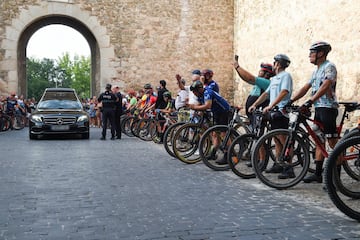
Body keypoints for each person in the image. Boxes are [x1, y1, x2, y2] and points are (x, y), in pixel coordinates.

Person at [289, 41, 338, 183]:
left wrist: (310, 100)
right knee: (318, 140)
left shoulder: (329, 66)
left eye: (312, 52)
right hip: (319, 108)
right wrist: (291, 100)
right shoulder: (316, 70)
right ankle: (317, 174)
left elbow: (326, 84)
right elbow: (306, 87)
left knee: (333, 143)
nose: (309, 55)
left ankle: (336, 179)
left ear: (321, 53)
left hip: (328, 108)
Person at [248, 54, 293, 178]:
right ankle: (279, 163)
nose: (273, 65)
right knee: (276, 140)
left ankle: (289, 168)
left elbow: (284, 92)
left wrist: (271, 105)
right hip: (274, 112)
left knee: (283, 140)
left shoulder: (286, 76)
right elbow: (266, 94)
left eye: (274, 63)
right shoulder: (274, 79)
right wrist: (255, 104)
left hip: (281, 111)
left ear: (278, 64)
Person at [188, 80, 231, 165]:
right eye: (193, 92)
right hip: (216, 112)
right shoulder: (200, 94)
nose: (194, 93)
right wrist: (197, 109)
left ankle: (228, 154)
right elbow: (201, 104)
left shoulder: (207, 92)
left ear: (200, 89)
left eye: (195, 91)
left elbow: (208, 105)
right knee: (215, 134)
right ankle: (213, 153)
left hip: (224, 111)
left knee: (223, 133)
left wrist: (195, 108)